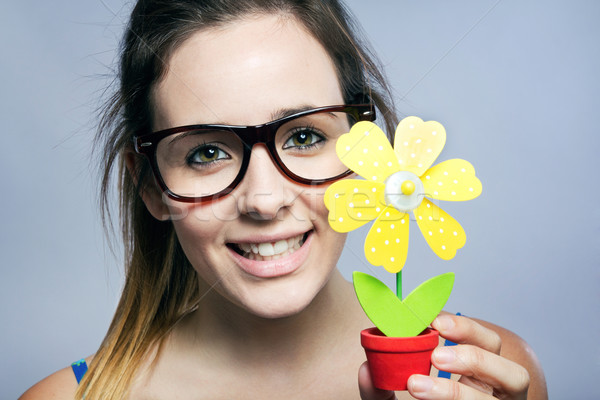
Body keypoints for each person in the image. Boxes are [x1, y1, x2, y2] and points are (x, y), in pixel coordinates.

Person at [20, 0, 547, 399]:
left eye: (304, 137)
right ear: (152, 186)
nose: (265, 200)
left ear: (369, 152)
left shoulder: (486, 375)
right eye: (206, 152)